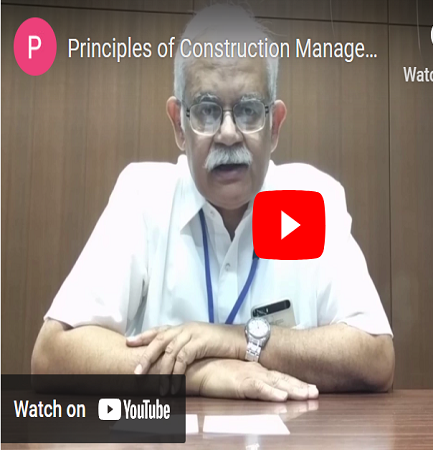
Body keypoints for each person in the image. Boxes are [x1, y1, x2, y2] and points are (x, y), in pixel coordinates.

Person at [31, 5, 394, 402]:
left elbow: (376, 358)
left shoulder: (312, 198)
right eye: (206, 111)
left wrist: (238, 340)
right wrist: (201, 372)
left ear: (275, 126)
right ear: (178, 124)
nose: (228, 134)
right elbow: (52, 354)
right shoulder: (143, 196)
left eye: (248, 110)